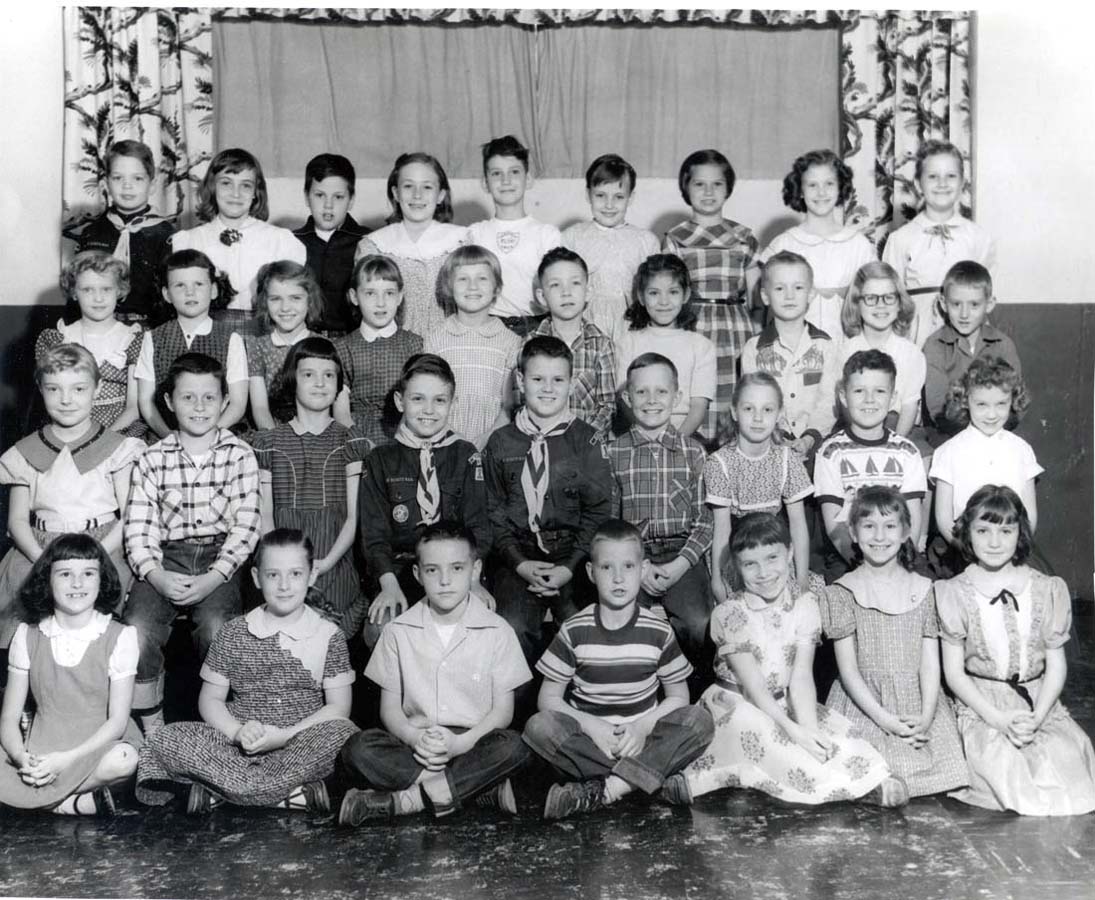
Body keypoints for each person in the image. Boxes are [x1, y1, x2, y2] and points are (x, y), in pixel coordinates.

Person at [674, 513, 906, 808]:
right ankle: (850, 790)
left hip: (783, 701)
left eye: (772, 558)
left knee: (827, 738)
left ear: (790, 553)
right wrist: (792, 730)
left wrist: (808, 730)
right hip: (739, 705)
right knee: (771, 737)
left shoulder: (805, 605)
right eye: (750, 564)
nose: (764, 573)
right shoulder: (730, 614)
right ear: (736, 566)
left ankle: (859, 778)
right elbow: (755, 688)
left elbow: (801, 677)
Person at [135, 529, 359, 814]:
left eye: (295, 574)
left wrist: (285, 736)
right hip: (238, 746)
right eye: (273, 575)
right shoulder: (233, 631)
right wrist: (237, 732)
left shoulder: (329, 635)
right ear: (256, 577)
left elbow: (339, 708)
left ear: (312, 575)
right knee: (162, 739)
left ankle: (223, 794)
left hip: (300, 742)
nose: (284, 585)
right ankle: (290, 797)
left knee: (345, 734)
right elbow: (210, 700)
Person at [339, 522, 531, 824]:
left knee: (515, 746)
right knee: (357, 749)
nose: (444, 580)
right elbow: (390, 710)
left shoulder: (498, 630)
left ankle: (407, 801)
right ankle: (475, 789)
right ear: (417, 574)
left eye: (457, 568)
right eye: (432, 570)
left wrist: (461, 744)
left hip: (472, 744)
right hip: (417, 748)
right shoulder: (398, 631)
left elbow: (503, 712)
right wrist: (414, 738)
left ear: (475, 570)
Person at [522, 519, 714, 820]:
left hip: (643, 739)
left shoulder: (658, 630)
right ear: (591, 573)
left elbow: (679, 697)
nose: (618, 578)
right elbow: (548, 699)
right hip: (591, 741)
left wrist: (641, 728)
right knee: (539, 727)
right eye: (606, 568)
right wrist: (593, 728)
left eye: (628, 566)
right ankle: (652, 783)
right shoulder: (574, 629)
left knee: (700, 721)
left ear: (643, 569)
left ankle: (607, 789)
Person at [123, 353, 262, 735]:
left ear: (225, 401)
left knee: (217, 627)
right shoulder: (152, 458)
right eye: (188, 397)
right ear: (169, 401)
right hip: (165, 559)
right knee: (137, 630)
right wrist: (156, 575)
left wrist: (214, 578)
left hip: (220, 559)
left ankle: (222, 722)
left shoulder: (239, 454)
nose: (199, 407)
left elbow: (246, 526)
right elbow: (139, 530)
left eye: (209, 397)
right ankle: (152, 724)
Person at [936, 486, 1095, 815]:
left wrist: (1039, 716)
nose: (994, 542)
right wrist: (997, 718)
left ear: (1020, 533)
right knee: (1008, 770)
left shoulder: (1046, 588)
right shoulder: (953, 592)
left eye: (1006, 531)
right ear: (967, 533)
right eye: (983, 531)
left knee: (1070, 766)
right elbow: (953, 673)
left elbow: (1056, 666)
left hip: (1038, 703)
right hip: (984, 705)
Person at [822, 487, 967, 798]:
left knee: (945, 768)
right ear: (853, 533)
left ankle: (886, 784)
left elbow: (930, 665)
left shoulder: (925, 589)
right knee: (851, 763)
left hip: (916, 701)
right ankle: (876, 786)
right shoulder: (842, 592)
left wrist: (926, 716)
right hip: (865, 703)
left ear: (905, 533)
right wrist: (884, 719)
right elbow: (848, 671)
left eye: (889, 526)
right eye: (868, 526)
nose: (879, 536)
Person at [482, 336, 615, 665]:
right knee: (512, 627)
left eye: (558, 380)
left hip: (575, 556)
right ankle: (522, 698)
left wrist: (569, 567)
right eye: (537, 379)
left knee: (586, 630)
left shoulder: (587, 440)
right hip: (518, 557)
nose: (548, 389)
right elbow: (493, 512)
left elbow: (599, 511)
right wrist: (520, 564)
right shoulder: (500, 442)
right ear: (520, 380)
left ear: (571, 383)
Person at [0, 346, 143, 647]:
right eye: (54, 389)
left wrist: (95, 556)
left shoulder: (117, 448)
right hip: (39, 547)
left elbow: (130, 516)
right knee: (20, 619)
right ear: (40, 388)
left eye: (79, 389)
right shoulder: (25, 451)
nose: (66, 400)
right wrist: (44, 561)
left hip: (103, 544)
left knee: (99, 625)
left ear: (97, 389)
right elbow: (16, 520)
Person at [0, 534, 141, 815]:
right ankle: (76, 803)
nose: (77, 583)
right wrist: (20, 757)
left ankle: (43, 802)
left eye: (88, 573)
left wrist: (65, 761)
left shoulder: (120, 636)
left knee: (124, 760)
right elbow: (9, 718)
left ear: (102, 580)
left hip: (97, 746)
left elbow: (117, 722)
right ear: (46, 580)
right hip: (42, 746)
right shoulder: (27, 635)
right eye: (65, 574)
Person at [359, 354, 491, 646]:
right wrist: (388, 584)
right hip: (401, 570)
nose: (429, 410)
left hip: (455, 571)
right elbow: (373, 536)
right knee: (381, 628)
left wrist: (472, 580)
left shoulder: (466, 455)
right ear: (400, 401)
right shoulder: (380, 460)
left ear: (452, 403)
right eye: (418, 399)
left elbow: (479, 527)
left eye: (439, 400)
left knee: (478, 624)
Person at [251, 339, 372, 638]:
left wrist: (324, 564)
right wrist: (286, 565)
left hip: (334, 560)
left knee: (326, 636)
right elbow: (266, 517)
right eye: (309, 374)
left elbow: (353, 518)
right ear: (292, 380)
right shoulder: (268, 443)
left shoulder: (350, 442)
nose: (320, 383)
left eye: (329, 375)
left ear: (339, 384)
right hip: (283, 565)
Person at [607, 354, 713, 672]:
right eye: (641, 392)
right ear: (628, 399)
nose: (652, 400)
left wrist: (680, 566)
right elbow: (609, 524)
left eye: (661, 391)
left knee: (699, 623)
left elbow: (704, 522)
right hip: (631, 556)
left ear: (677, 397)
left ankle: (693, 691)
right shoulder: (613, 453)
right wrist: (639, 566)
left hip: (682, 554)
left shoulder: (693, 452)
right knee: (622, 624)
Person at [663, 149, 759, 446]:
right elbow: (669, 293)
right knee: (696, 392)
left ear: (728, 188)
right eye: (699, 184)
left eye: (717, 184)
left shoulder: (743, 237)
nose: (708, 192)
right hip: (693, 327)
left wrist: (756, 339)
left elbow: (756, 299)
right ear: (685, 187)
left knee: (736, 396)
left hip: (736, 330)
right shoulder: (676, 238)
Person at [704, 373, 814, 598]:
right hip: (738, 553)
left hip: (775, 551)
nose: (758, 418)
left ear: (779, 414)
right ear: (734, 412)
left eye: (767, 409)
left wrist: (802, 579)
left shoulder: (787, 460)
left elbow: (798, 525)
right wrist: (717, 580)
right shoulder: (719, 463)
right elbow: (722, 530)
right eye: (748, 409)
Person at [813, 350, 927, 565]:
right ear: (843, 396)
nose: (869, 400)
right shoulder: (831, 452)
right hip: (851, 560)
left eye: (880, 391)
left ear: (893, 398)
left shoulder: (907, 452)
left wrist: (898, 568)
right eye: (859, 391)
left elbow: (912, 522)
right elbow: (834, 526)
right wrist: (865, 570)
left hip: (899, 561)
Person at [883, 140, 996, 347]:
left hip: (966, 338)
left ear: (962, 182)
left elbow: (986, 296)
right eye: (933, 176)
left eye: (951, 176)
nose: (942, 183)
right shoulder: (900, 239)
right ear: (918, 184)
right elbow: (889, 298)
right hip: (916, 339)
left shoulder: (979, 238)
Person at [172, 147, 306, 318]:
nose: (236, 194)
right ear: (212, 187)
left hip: (263, 328)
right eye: (226, 183)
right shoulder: (189, 241)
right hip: (205, 329)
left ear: (256, 192)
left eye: (246, 185)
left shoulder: (280, 241)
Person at [757, 149, 875, 338]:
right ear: (800, 191)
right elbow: (764, 307)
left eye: (829, 183)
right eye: (812, 185)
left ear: (840, 187)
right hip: (795, 342)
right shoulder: (783, 244)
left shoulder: (859, 245)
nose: (821, 192)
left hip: (847, 342)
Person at [135, 249, 248, 439]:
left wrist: (208, 437)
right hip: (166, 435)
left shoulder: (231, 339)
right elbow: (146, 401)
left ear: (213, 290)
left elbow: (237, 403)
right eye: (180, 285)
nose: (190, 292)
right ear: (167, 294)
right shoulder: (153, 338)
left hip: (219, 434)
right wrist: (170, 437)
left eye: (199, 284)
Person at [354, 152, 466, 339]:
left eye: (427, 187)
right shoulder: (373, 246)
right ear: (396, 193)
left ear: (441, 195)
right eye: (408, 186)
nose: (417, 195)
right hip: (392, 346)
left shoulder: (461, 241)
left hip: (451, 343)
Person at [739, 250, 840, 458]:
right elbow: (753, 402)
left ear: (811, 294)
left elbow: (829, 401)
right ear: (765, 296)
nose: (789, 295)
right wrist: (780, 436)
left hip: (818, 446)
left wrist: (810, 437)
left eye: (798, 287)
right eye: (779, 288)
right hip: (770, 445)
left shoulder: (825, 346)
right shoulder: (753, 349)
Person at [931, 358, 1041, 547]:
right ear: (965, 401)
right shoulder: (948, 452)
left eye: (1001, 404)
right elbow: (943, 518)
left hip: (1010, 547)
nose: (991, 415)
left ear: (1013, 401)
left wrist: (1014, 548)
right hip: (963, 546)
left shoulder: (1022, 450)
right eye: (982, 404)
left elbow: (1030, 514)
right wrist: (967, 549)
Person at [65, 139, 176, 325]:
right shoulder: (92, 233)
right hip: (96, 325)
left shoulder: (167, 235)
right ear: (106, 184)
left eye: (137, 178)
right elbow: (78, 287)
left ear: (152, 185)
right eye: (118, 178)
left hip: (149, 326)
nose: (127, 185)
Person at [423, 244, 522, 449]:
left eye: (482, 278)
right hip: (443, 440)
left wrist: (487, 438)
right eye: (463, 279)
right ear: (449, 287)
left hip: (494, 441)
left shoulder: (510, 342)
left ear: (496, 288)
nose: (472, 286)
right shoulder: (435, 340)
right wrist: (453, 438)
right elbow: (430, 400)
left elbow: (508, 407)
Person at [37, 251, 144, 434]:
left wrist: (101, 441)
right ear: (74, 293)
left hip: (120, 430)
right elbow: (53, 400)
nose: (98, 298)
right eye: (87, 290)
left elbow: (133, 408)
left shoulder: (134, 338)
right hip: (69, 426)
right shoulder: (58, 339)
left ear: (119, 291)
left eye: (106, 289)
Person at [615, 254, 716, 444]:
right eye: (654, 293)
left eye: (673, 292)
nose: (664, 301)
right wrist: (646, 439)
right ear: (641, 297)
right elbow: (624, 400)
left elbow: (698, 407)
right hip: (638, 434)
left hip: (685, 436)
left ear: (686, 295)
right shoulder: (628, 343)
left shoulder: (702, 346)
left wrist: (672, 443)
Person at [468, 135, 562, 336]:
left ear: (528, 179)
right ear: (485, 183)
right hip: (487, 326)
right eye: (496, 173)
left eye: (514, 172)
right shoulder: (475, 233)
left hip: (536, 327)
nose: (506, 181)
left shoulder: (547, 235)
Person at [561, 153, 659, 342]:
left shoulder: (646, 241)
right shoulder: (572, 237)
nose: (609, 205)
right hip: (584, 326)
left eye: (619, 197)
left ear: (631, 198)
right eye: (600, 195)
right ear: (588, 195)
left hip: (631, 328)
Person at [922, 261, 1022, 446]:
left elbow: (1015, 403)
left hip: (996, 434)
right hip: (948, 437)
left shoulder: (1003, 345)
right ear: (943, 303)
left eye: (974, 304)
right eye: (956, 304)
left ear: (989, 304)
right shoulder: (934, 346)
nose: (964, 314)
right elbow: (938, 407)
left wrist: (990, 433)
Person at [529, 247, 617, 436]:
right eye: (555, 285)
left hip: (586, 445)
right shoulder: (529, 344)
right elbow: (522, 402)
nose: (566, 292)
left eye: (575, 283)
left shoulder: (601, 345)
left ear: (588, 292)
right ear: (542, 297)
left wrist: (584, 439)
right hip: (539, 442)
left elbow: (607, 406)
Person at [333, 254, 423, 435]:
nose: (380, 303)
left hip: (405, 434)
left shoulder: (414, 345)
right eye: (370, 293)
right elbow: (341, 414)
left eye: (389, 293)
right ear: (354, 297)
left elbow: (420, 403)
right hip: (358, 434)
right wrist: (359, 443)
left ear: (400, 297)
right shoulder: (342, 348)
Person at [838, 261, 925, 438]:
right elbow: (846, 407)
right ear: (856, 303)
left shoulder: (912, 354)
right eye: (871, 298)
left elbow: (909, 408)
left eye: (889, 297)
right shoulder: (845, 351)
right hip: (855, 431)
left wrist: (894, 444)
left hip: (900, 433)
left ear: (899, 303)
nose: (881, 305)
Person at [292, 153, 369, 335]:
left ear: (351, 200)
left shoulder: (368, 241)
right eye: (320, 195)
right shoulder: (291, 241)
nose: (328, 205)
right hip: (302, 338)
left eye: (338, 197)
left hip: (353, 339)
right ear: (306, 197)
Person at [244, 260, 326, 430]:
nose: (285, 308)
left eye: (295, 298)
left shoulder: (323, 345)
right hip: (271, 430)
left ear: (310, 301)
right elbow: (260, 408)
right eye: (275, 299)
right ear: (264, 302)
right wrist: (277, 442)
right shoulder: (257, 346)